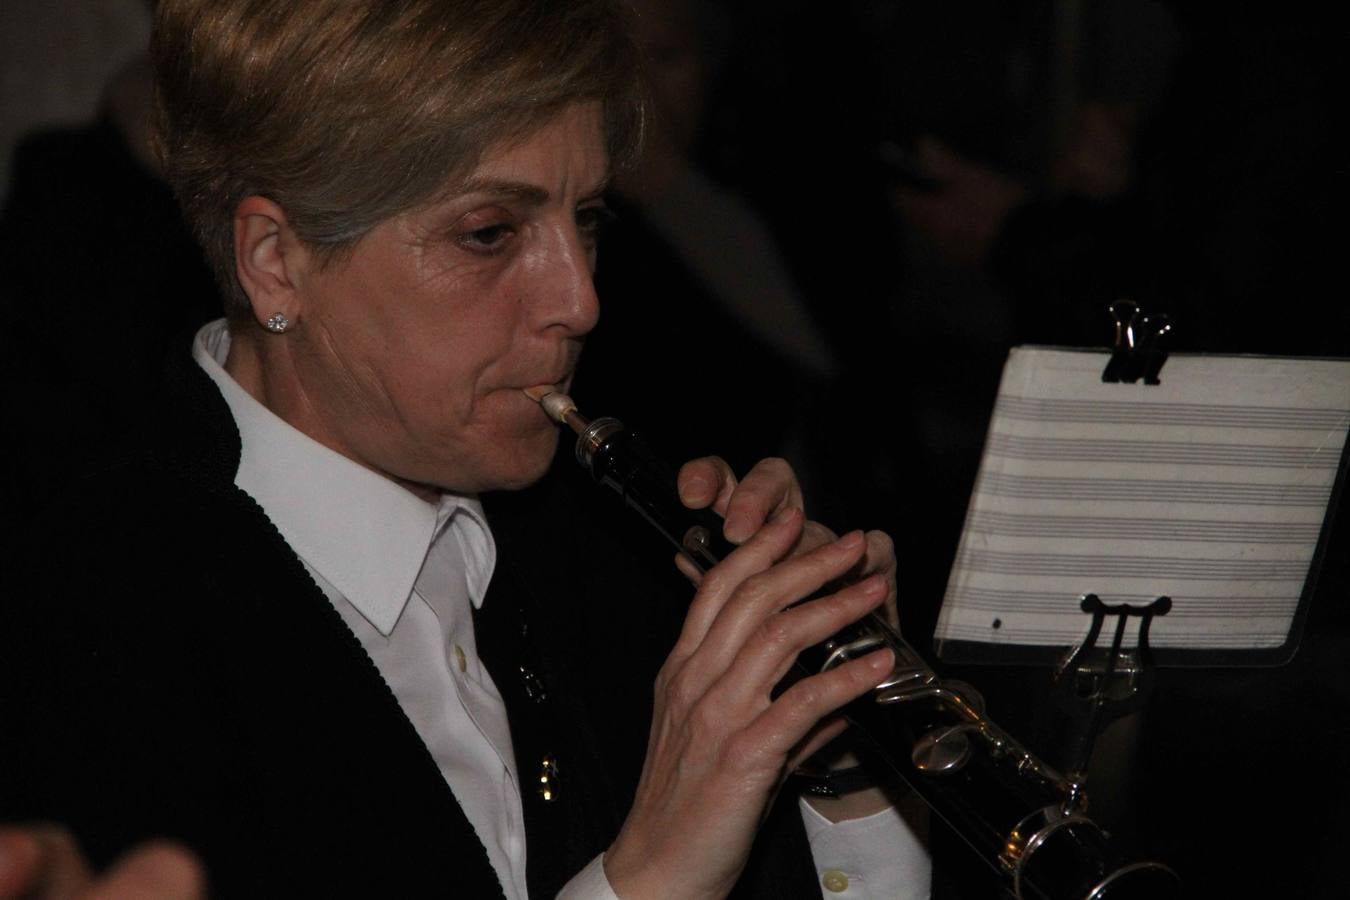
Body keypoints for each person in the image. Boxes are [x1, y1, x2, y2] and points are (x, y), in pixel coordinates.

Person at [0, 1, 930, 897]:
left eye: (587, 219)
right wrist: (653, 877)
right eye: (490, 234)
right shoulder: (85, 631)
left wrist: (837, 757)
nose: (580, 300)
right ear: (275, 261)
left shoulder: (612, 543)